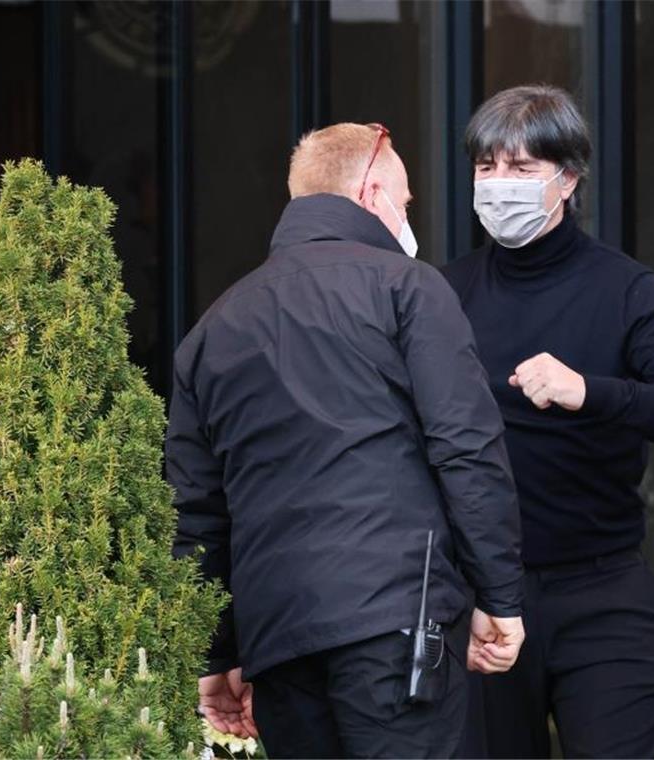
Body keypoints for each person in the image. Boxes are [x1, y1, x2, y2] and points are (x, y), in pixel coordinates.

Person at [166, 122, 527, 759]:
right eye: (406, 201)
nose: (407, 215)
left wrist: (216, 651)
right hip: (398, 624)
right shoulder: (408, 288)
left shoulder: (211, 329)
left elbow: (196, 511)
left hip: (279, 637)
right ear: (370, 192)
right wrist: (498, 594)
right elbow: (465, 448)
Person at [442, 85, 654, 759]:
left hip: (602, 594)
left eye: (521, 169)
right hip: (483, 601)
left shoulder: (627, 289)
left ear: (567, 178)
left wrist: (589, 392)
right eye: (487, 168)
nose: (499, 185)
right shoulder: (444, 294)